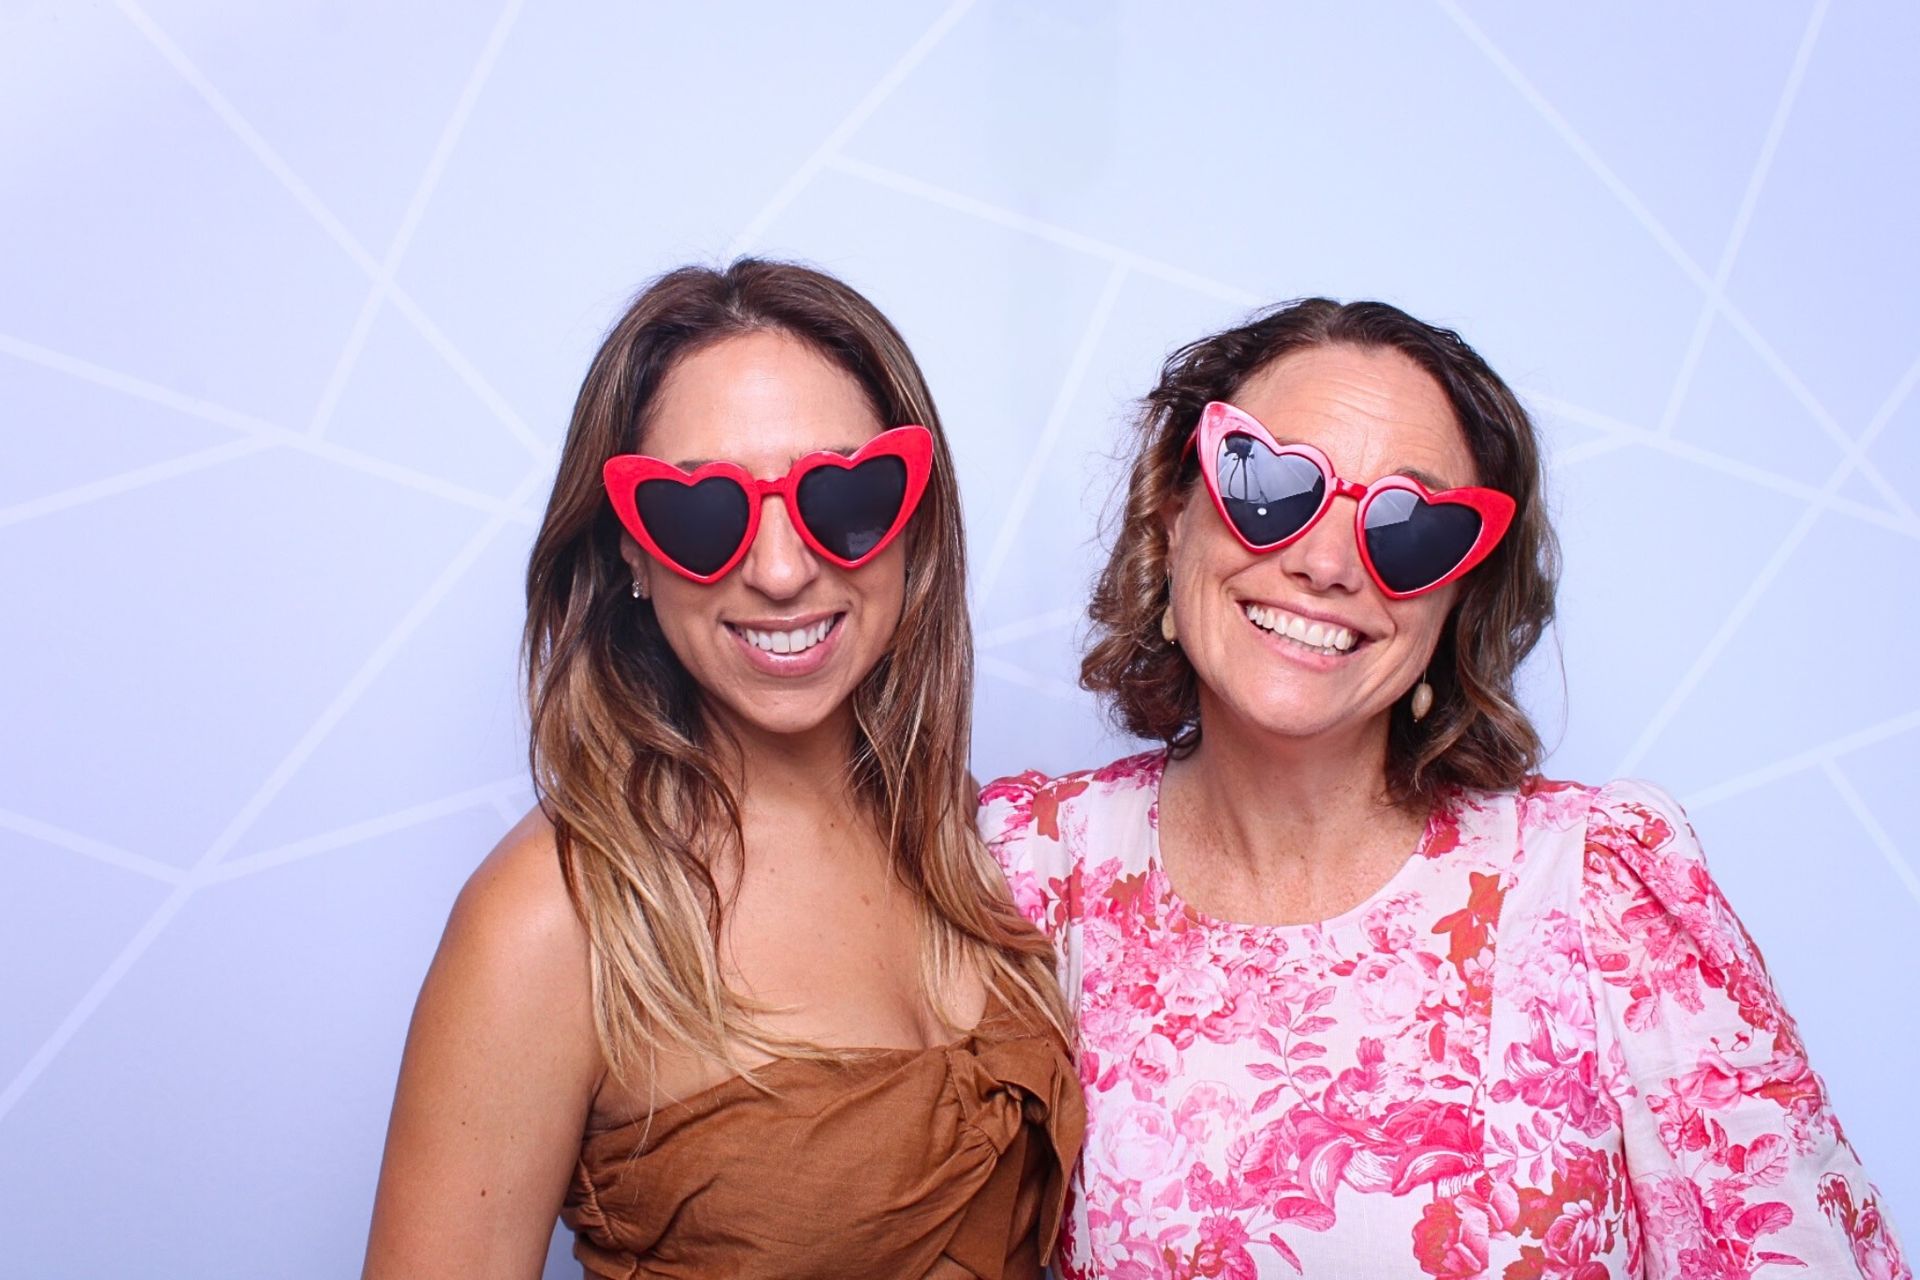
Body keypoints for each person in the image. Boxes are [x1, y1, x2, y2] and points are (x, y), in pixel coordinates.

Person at [980, 298, 1908, 1278]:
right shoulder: (1028, 872)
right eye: (1271, 483)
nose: (1327, 562)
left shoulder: (1599, 888)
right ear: (1174, 511)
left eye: (1413, 529)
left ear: (1460, 593)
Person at [365, 259, 1082, 1280]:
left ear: (912, 520)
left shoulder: (997, 851)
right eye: (704, 514)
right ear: (630, 552)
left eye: (845, 494)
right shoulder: (554, 920)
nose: (782, 569)